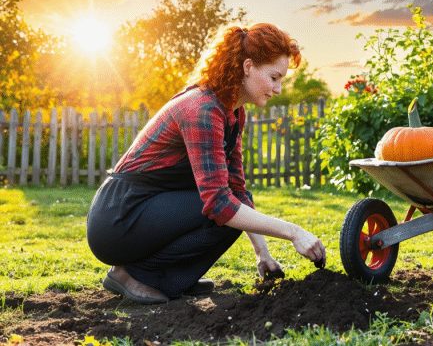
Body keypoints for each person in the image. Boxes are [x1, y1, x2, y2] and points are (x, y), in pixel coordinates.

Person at [86, 23, 325, 304]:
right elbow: (220, 203)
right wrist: (293, 232)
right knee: (222, 212)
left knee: (231, 209)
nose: (278, 88)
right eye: (274, 77)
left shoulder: (233, 113)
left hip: (147, 206)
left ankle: (167, 277)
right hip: (119, 216)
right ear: (248, 67)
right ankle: (135, 275)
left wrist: (263, 253)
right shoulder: (202, 109)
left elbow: (236, 189)